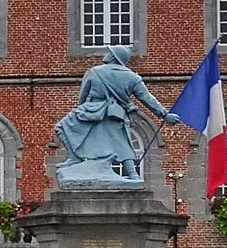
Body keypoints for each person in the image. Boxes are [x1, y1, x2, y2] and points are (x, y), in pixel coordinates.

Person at [53, 45, 182, 185]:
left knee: (61, 127)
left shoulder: (94, 72)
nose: (106, 54)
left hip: (91, 109)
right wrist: (164, 115)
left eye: (109, 52)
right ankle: (133, 175)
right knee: (122, 142)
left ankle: (74, 157)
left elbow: (82, 97)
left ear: (114, 57)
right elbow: (147, 99)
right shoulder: (132, 77)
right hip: (116, 112)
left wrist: (88, 107)